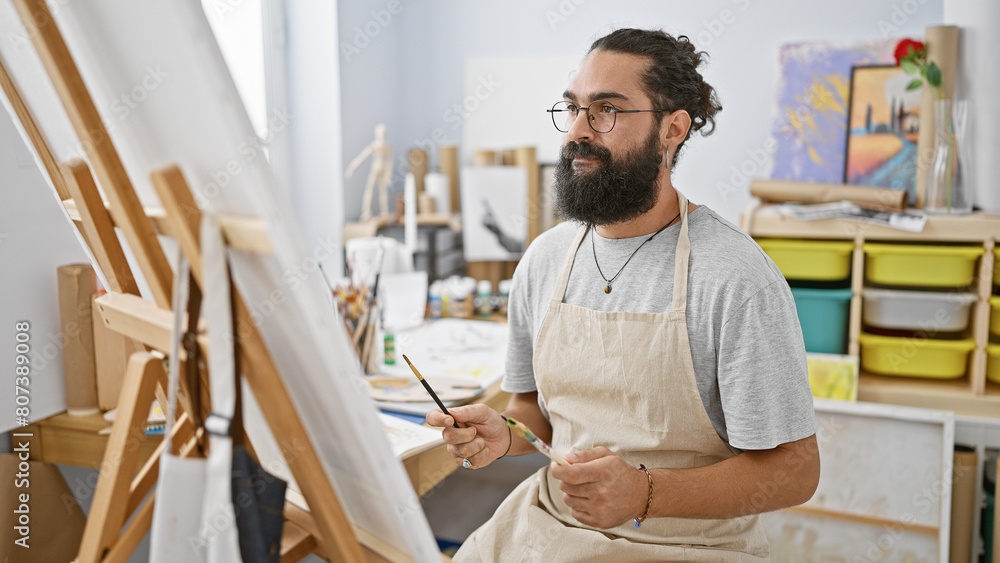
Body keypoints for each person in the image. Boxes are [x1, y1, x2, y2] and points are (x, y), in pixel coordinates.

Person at [426, 28, 819, 561]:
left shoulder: (735, 276)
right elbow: (533, 414)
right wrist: (503, 434)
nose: (578, 132)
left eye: (607, 110)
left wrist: (644, 492)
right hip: (549, 526)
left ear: (671, 129)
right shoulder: (545, 260)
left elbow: (794, 471)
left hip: (686, 545)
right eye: (573, 108)